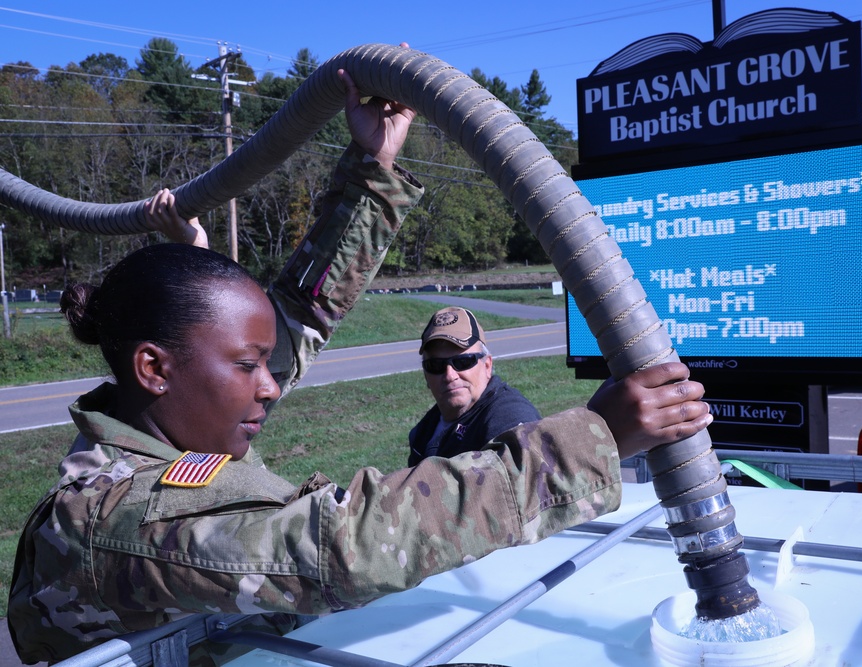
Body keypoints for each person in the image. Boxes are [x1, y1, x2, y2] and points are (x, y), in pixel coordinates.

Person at [6, 71, 714, 666]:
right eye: (248, 366)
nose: (273, 383)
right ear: (156, 367)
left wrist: (372, 172)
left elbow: (300, 316)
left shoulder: (168, 425)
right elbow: (337, 548)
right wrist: (593, 441)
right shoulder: (115, 512)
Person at [409, 306, 541, 465]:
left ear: (487, 366)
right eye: (435, 365)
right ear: (425, 375)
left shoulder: (508, 417)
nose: (450, 375)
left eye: (463, 362)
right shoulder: (426, 429)